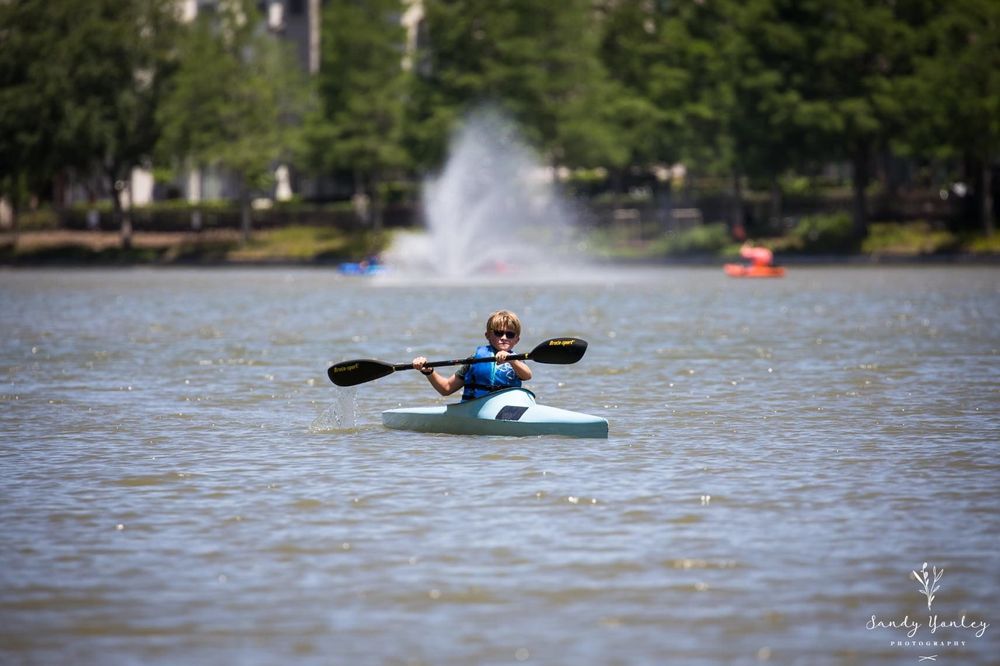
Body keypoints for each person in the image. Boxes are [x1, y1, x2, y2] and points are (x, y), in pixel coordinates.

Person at [413, 310, 532, 400]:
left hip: (508, 408)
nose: (504, 338)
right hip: (477, 408)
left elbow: (527, 376)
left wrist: (512, 360)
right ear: (488, 336)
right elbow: (446, 388)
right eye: (498, 333)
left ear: (517, 340)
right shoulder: (474, 360)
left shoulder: (517, 361)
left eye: (510, 335)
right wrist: (429, 372)